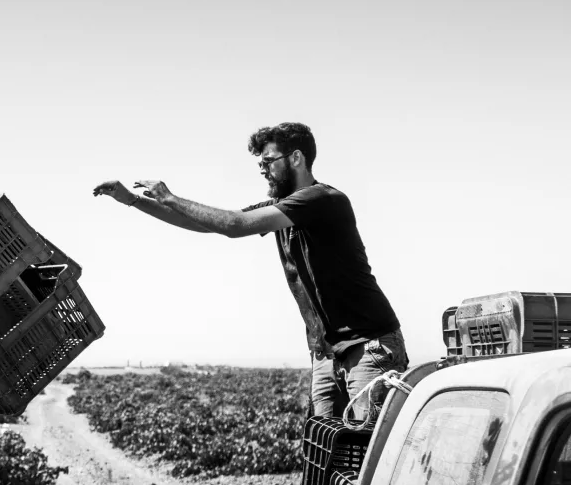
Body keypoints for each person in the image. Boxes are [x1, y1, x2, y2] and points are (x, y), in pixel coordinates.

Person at [92, 122, 407, 422]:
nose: (263, 169)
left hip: (368, 345)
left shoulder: (322, 199)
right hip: (326, 352)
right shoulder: (282, 207)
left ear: (296, 158)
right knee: (325, 447)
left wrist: (170, 196)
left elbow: (235, 225)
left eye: (268, 161)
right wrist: (132, 200)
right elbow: (203, 223)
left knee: (369, 448)